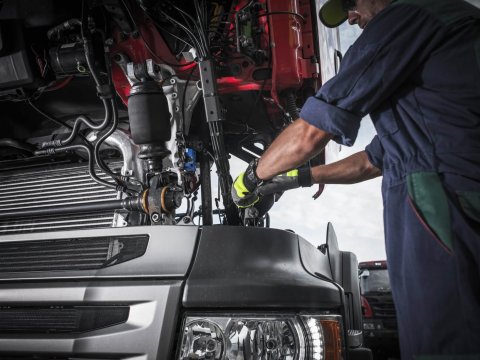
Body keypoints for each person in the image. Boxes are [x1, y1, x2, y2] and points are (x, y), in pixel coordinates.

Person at [231, 0, 480, 358]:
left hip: (444, 205)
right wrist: (302, 177)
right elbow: (372, 160)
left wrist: (250, 179)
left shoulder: (407, 18)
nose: (350, 17)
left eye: (351, 3)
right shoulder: (445, 33)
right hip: (458, 194)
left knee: (445, 340)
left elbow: (309, 134)